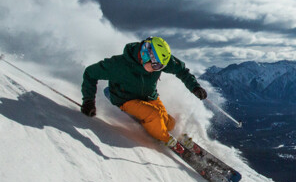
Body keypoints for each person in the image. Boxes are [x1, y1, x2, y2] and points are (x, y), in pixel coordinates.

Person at [79, 36, 207, 153]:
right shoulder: (119, 65)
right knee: (154, 115)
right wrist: (88, 100)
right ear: (146, 54)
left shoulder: (160, 60)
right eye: (156, 66)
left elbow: (181, 70)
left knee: (168, 121)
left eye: (161, 67)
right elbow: (90, 73)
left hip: (150, 96)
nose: (158, 69)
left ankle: (174, 133)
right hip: (126, 99)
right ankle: (165, 138)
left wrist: (195, 87)